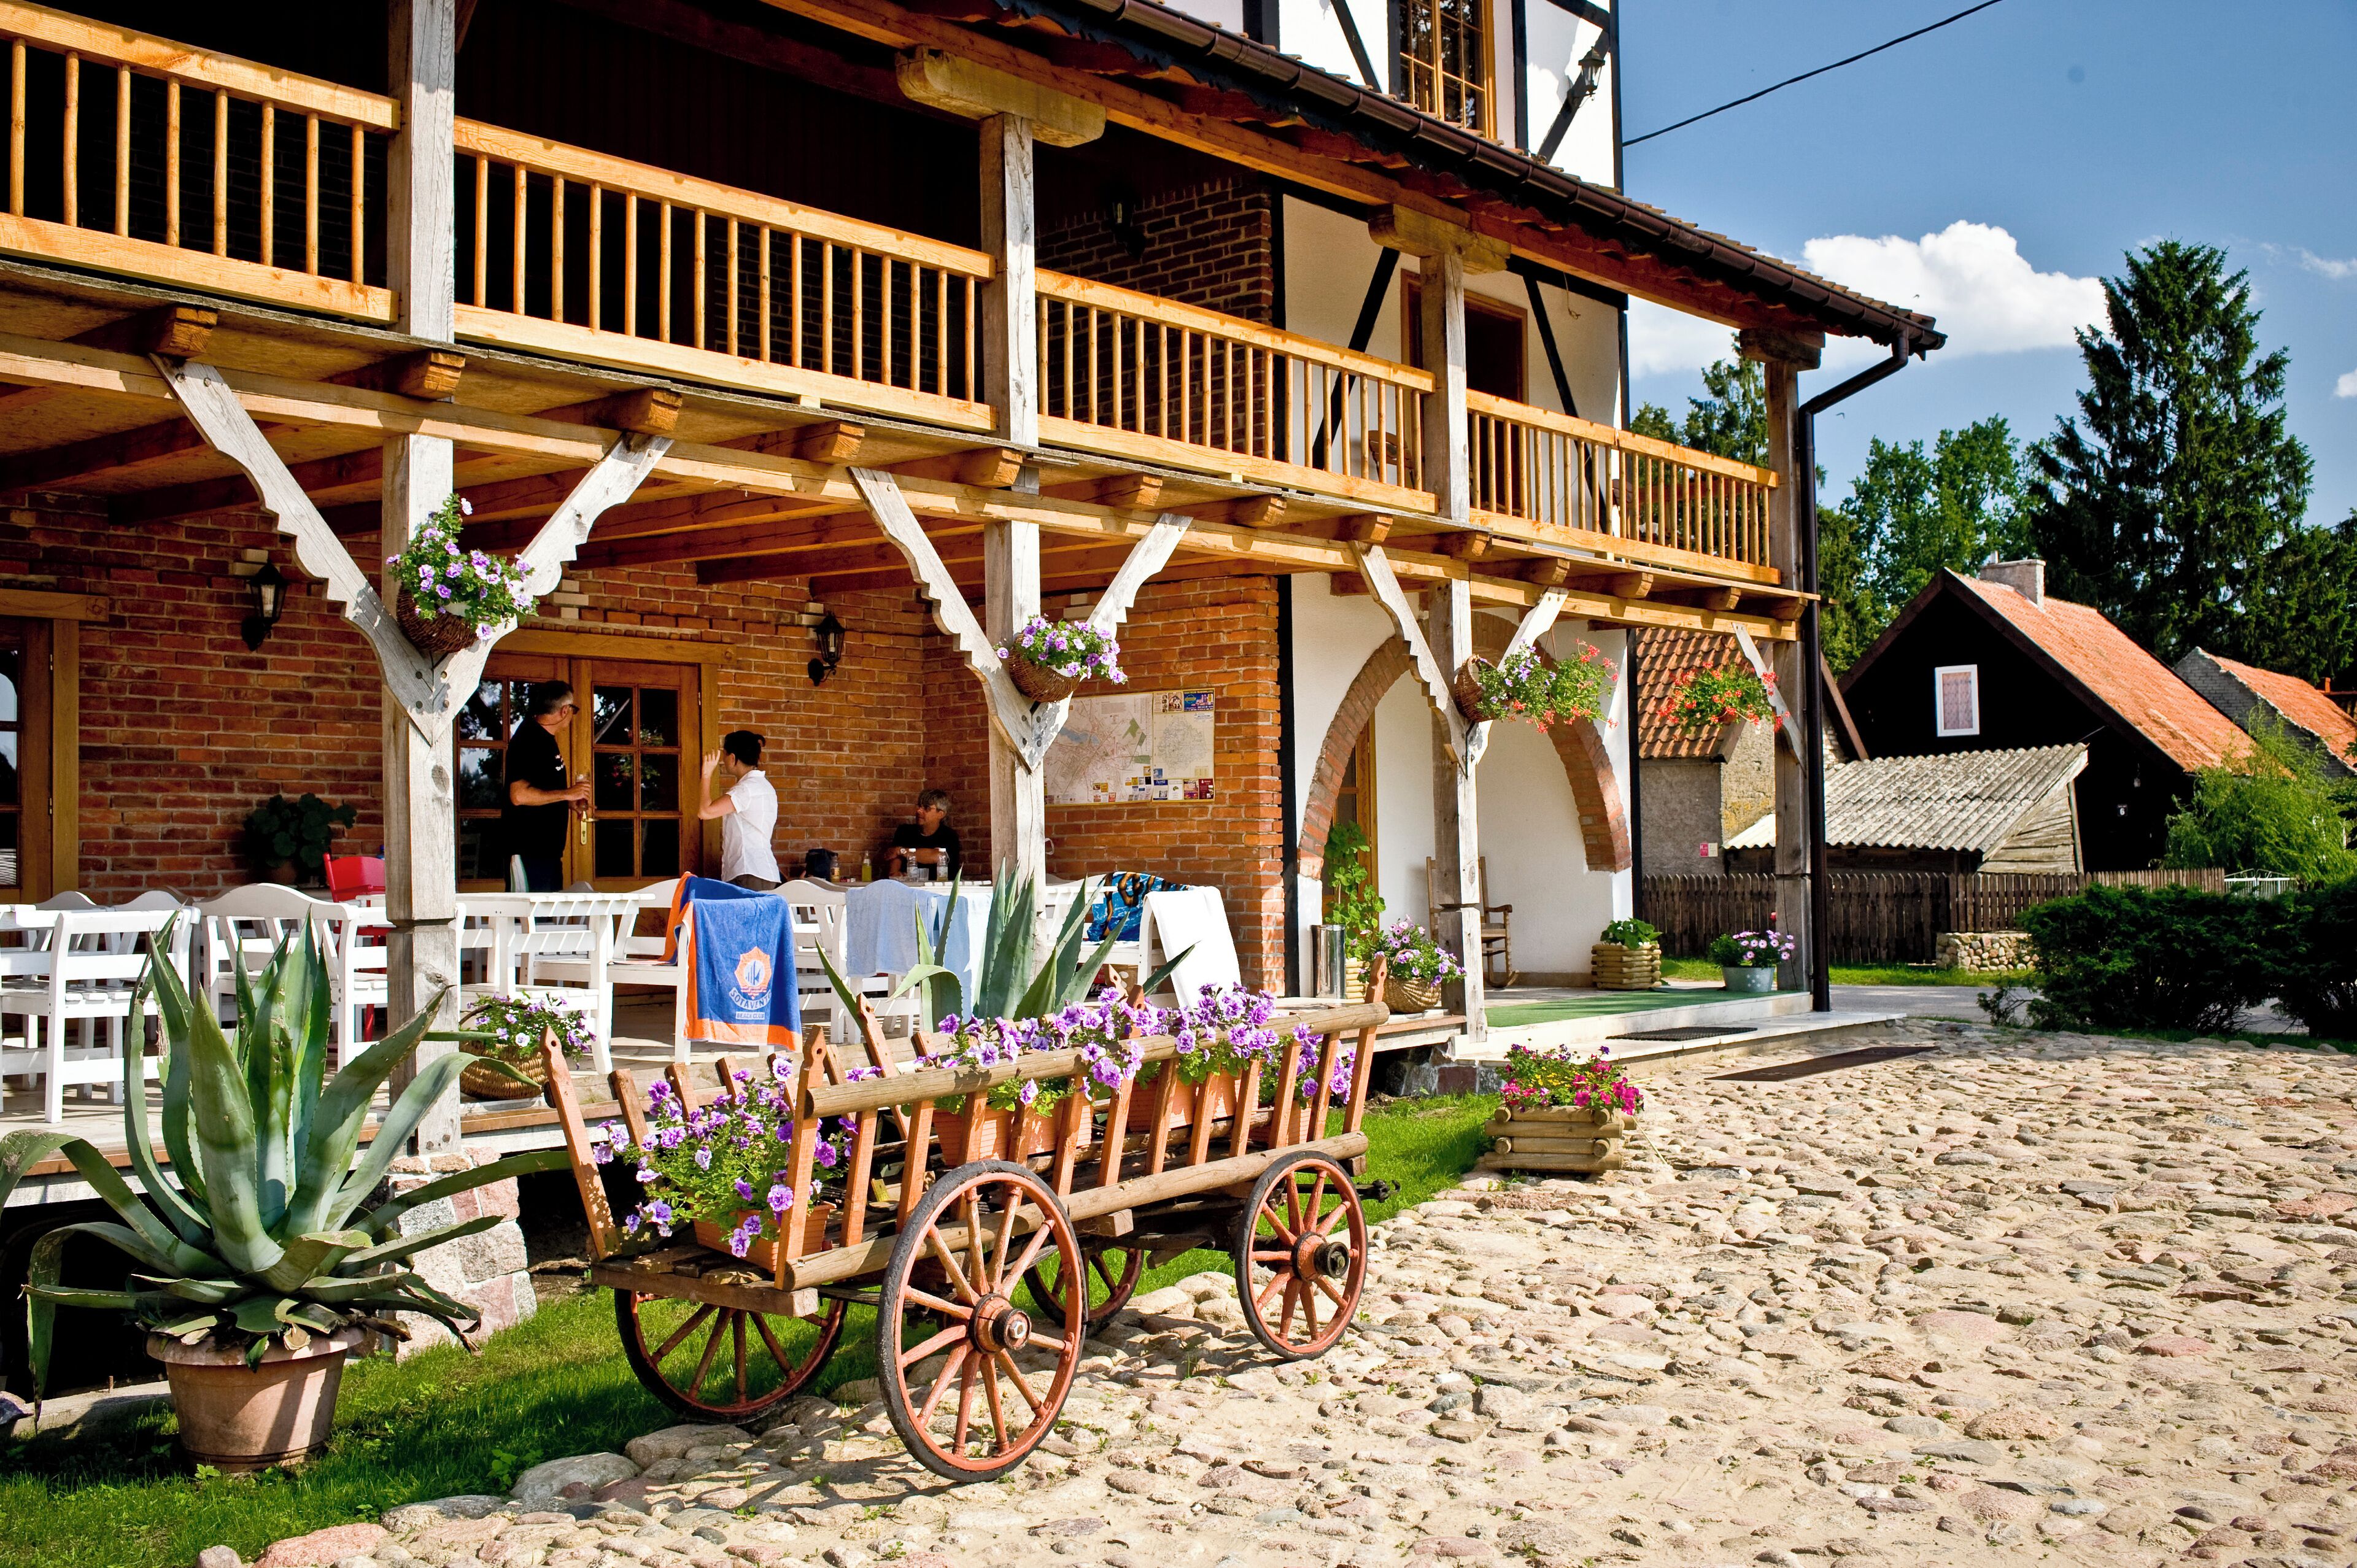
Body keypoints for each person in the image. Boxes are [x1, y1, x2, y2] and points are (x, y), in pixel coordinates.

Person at [503, 681, 589, 892]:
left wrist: (568, 801)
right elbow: (519, 795)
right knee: (530, 922)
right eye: (573, 710)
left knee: (547, 922)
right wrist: (567, 793)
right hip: (530, 851)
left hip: (546, 853)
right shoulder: (528, 740)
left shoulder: (544, 738)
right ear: (564, 710)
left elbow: (540, 790)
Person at [698, 730, 780, 889]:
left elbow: (705, 812)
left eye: (725, 755)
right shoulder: (761, 786)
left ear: (733, 758)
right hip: (757, 871)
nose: (723, 760)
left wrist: (706, 775)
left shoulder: (746, 790)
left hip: (749, 872)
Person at [888, 789, 962, 879]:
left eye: (926, 808)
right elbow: (893, 869)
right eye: (919, 806)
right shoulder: (904, 831)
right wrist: (896, 875)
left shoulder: (949, 835)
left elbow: (937, 855)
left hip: (941, 889)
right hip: (910, 887)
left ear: (941, 814)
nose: (919, 811)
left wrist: (902, 851)